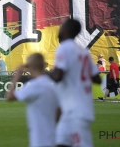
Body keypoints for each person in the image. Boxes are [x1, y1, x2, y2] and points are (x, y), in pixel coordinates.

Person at [47, 19, 101, 147]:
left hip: (76, 111)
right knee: (60, 143)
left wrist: (38, 73)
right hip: (71, 110)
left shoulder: (64, 48)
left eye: (61, 27)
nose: (59, 30)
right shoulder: (83, 52)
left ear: (66, 30)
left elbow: (58, 76)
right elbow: (97, 79)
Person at [7, 53, 59, 147]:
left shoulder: (34, 85)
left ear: (30, 67)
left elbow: (9, 97)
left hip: (40, 141)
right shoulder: (52, 84)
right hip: (53, 138)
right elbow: (59, 112)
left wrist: (17, 76)